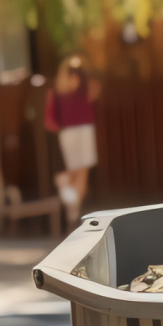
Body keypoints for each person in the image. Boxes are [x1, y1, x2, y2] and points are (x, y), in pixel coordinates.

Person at [44, 55, 99, 228]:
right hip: (78, 130)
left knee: (79, 171)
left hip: (73, 130)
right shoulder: (76, 85)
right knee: (79, 171)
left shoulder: (58, 88)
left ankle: (73, 211)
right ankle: (72, 208)